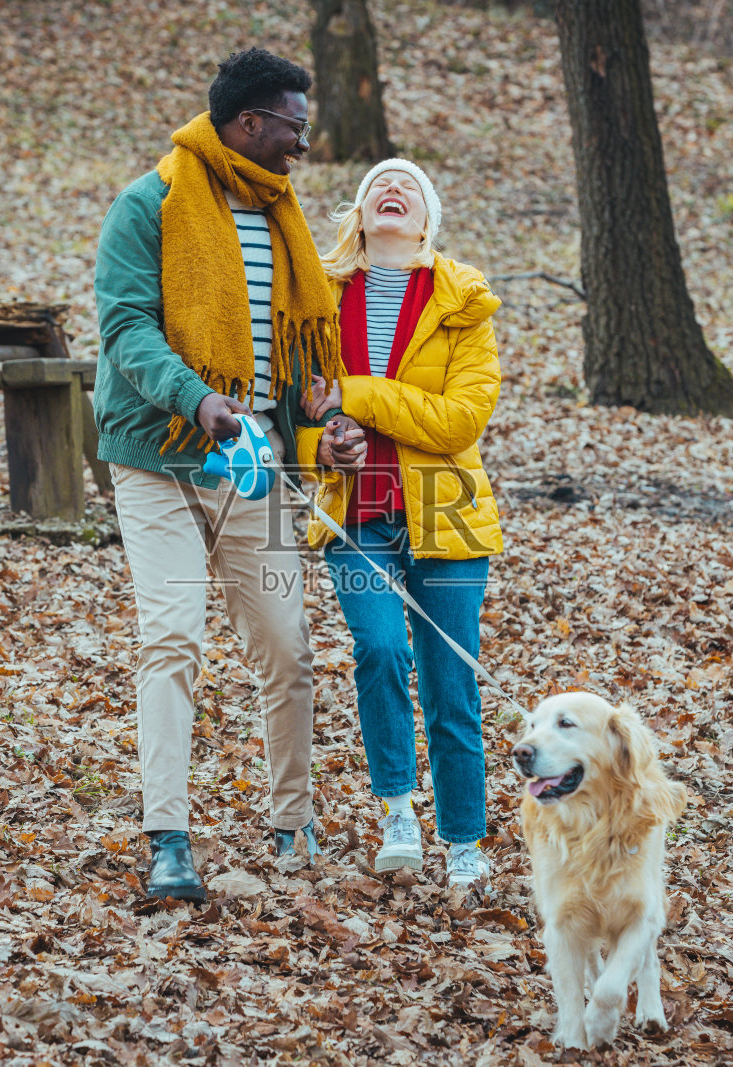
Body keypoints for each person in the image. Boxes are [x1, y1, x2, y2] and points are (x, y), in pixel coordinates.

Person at [93, 48, 366, 903]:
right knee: (172, 638)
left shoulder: (285, 221)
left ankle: (293, 821)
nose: (303, 145)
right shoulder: (150, 206)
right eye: (295, 126)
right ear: (250, 124)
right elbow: (127, 330)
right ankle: (167, 839)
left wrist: (323, 434)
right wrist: (199, 399)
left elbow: (294, 366)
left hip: (259, 472)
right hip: (159, 462)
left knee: (289, 647)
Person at [302, 159, 504, 891]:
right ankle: (397, 812)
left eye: (410, 187)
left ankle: (464, 840)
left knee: (452, 681)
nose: (394, 190)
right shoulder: (318, 301)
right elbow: (298, 412)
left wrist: (359, 395)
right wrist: (318, 440)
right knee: (381, 649)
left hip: (446, 519)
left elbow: (460, 419)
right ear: (361, 213)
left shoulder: (464, 303)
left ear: (427, 220)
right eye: (380, 186)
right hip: (355, 513)